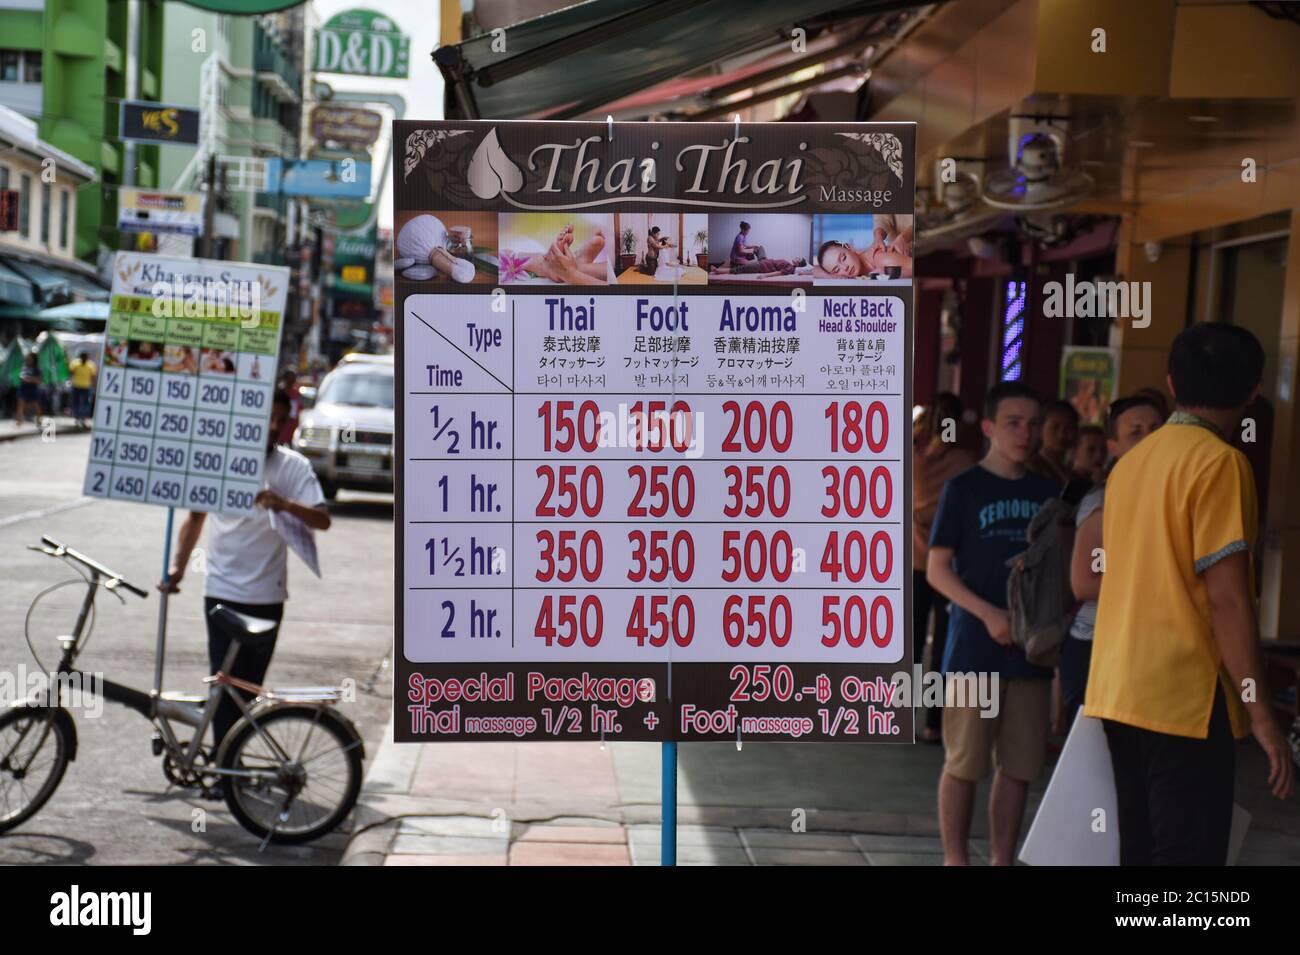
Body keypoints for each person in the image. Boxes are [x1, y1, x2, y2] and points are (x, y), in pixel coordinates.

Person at [1086, 324, 1293, 865]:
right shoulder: (1221, 464)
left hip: (1119, 688)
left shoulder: (1130, 464)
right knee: (1187, 864)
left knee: (1141, 850)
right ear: (1253, 392)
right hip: (1185, 697)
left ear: (1171, 382)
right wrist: (1263, 716)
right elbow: (1226, 600)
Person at [926, 381, 1061, 865]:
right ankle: (955, 859)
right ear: (988, 428)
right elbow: (938, 568)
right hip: (972, 649)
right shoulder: (963, 489)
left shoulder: (1050, 492)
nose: (1025, 433)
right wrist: (988, 615)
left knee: (1020, 766)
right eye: (1012, 422)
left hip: (1032, 651)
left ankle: (1003, 859)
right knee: (964, 762)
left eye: (1032, 424)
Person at [158, 389, 331, 748]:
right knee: (223, 684)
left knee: (246, 691)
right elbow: (195, 517)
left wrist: (284, 504)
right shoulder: (220, 462)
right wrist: (177, 570)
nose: (273, 427)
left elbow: (322, 519)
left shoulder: (292, 467)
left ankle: (230, 766)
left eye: (281, 421)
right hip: (220, 593)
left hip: (267, 597)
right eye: (268, 418)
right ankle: (225, 770)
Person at [1062, 395, 1164, 731]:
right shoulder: (1103, 500)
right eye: (1135, 432)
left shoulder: (1171, 495)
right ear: (1114, 446)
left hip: (1148, 647)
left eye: (1156, 429)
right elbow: (1083, 583)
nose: (1149, 439)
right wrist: (1160, 592)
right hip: (1098, 647)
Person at [912, 392, 976, 741]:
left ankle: (895, 712)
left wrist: (917, 428)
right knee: (942, 647)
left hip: (915, 565)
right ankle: (933, 722)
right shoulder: (966, 463)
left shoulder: (914, 459)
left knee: (911, 641)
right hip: (951, 566)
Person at [1026, 399, 1078, 488]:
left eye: (1069, 428)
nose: (1062, 435)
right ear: (1040, 429)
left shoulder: (1070, 471)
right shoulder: (1032, 467)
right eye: (1054, 427)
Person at [816, 239, 913, 279]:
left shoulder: (880, 258)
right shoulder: (858, 274)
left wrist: (889, 272)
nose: (845, 268)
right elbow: (816, 270)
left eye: (844, 258)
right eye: (837, 269)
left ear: (849, 247)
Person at [68, 349, 97, 429]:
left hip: (86, 386)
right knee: (76, 402)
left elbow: (93, 377)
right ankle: (77, 418)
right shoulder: (75, 363)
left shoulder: (91, 365)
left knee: (85, 403)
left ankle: (83, 419)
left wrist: (94, 385)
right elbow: (71, 372)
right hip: (76, 385)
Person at [15, 351, 42, 426]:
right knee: (20, 404)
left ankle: (39, 420)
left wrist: (29, 379)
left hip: (33, 389)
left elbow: (38, 380)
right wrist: (26, 379)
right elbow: (21, 376)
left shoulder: (36, 369)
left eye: (30, 358)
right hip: (23, 388)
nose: (28, 359)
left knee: (36, 405)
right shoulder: (24, 367)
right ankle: (19, 421)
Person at [278, 368, 301, 445]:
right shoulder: (280, 391)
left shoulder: (296, 393)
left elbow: (298, 408)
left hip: (292, 425)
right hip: (282, 423)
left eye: (293, 379)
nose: (291, 381)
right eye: (289, 378)